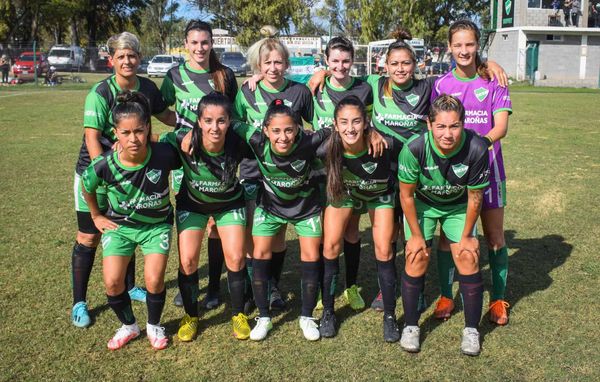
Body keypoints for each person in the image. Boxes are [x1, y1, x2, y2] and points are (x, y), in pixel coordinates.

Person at [70, 31, 174, 328]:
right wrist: (107, 173)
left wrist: (197, 122)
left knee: (126, 222)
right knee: (89, 236)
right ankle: (79, 302)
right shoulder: (100, 93)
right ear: (111, 60)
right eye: (121, 56)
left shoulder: (148, 88)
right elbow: (92, 138)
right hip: (98, 173)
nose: (127, 61)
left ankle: (129, 287)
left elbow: (167, 116)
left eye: (132, 55)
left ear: (139, 58)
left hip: (131, 173)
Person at [81, 90, 181, 350]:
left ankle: (153, 325)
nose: (133, 138)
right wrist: (96, 215)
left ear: (147, 128)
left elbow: (186, 142)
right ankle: (129, 326)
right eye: (125, 133)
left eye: (138, 131)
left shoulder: (164, 153)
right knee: (113, 282)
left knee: (154, 280)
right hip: (120, 226)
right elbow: (87, 187)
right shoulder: (104, 164)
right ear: (115, 133)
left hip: (155, 226)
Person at [432, 19, 512, 325]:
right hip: (452, 175)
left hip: (490, 171)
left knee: (494, 237)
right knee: (449, 238)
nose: (464, 51)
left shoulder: (495, 80)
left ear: (478, 45)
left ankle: (498, 300)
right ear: (450, 47)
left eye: (470, 44)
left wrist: (478, 146)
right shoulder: (441, 85)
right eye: (458, 45)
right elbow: (436, 127)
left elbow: (501, 126)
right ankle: (446, 295)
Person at [398, 94, 490, 356]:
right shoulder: (414, 148)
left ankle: (471, 330)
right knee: (416, 256)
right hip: (423, 205)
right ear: (429, 125)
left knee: (468, 255)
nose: (448, 134)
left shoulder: (477, 147)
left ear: (463, 124)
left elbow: (475, 196)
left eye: (454, 126)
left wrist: (468, 236)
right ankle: (412, 326)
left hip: (458, 206)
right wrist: (415, 236)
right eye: (441, 126)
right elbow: (406, 196)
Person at [233, 99, 330, 341]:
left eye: (289, 129)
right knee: (260, 255)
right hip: (270, 208)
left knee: (311, 256)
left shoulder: (308, 142)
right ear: (265, 130)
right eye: (276, 130)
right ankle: (264, 317)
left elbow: (333, 129)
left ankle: (307, 316)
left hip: (305, 209)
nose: (283, 137)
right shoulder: (257, 141)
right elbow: (232, 123)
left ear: (298, 128)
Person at [234, 28, 314, 311]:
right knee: (251, 234)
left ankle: (273, 288)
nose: (272, 67)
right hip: (253, 172)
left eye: (278, 62)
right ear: (258, 65)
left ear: (286, 63)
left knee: (277, 234)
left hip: (287, 176)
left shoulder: (299, 91)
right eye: (266, 63)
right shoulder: (247, 91)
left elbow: (314, 127)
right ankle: (251, 287)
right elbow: (234, 125)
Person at [161, 20, 238, 310]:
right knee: (190, 222)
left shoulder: (224, 75)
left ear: (211, 44)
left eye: (204, 42)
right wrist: (183, 131)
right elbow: (162, 110)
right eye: (194, 42)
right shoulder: (174, 75)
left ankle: (215, 288)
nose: (199, 48)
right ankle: (188, 280)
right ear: (186, 43)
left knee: (215, 224)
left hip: (219, 161)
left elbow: (235, 113)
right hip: (186, 163)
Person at [163, 93, 251, 341]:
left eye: (221, 121)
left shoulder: (237, 141)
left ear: (229, 121)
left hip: (229, 204)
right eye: (208, 120)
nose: (215, 127)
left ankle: (238, 314)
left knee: (235, 257)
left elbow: (270, 142)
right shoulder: (183, 138)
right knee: (188, 261)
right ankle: (191, 316)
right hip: (193, 205)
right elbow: (156, 143)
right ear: (199, 122)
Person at [320, 96, 401, 341]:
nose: (350, 128)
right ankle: (328, 312)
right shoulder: (327, 147)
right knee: (331, 245)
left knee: (384, 249)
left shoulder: (385, 144)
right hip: (345, 192)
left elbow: (410, 163)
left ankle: (389, 316)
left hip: (379, 194)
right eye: (343, 122)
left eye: (356, 121)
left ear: (366, 122)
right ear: (335, 124)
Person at [310, 36, 374, 311]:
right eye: (334, 61)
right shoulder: (313, 88)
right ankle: (328, 290)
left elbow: (369, 124)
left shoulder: (364, 89)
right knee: (326, 235)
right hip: (320, 171)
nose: (340, 66)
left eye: (346, 60)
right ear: (326, 61)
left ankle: (351, 286)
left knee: (351, 231)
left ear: (353, 60)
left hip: (351, 172)